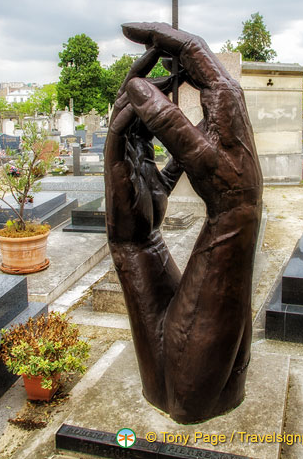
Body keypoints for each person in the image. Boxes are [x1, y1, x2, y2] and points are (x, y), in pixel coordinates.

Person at [104, 22, 263, 424]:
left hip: (187, 368)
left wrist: (236, 211)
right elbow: (186, 397)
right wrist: (237, 209)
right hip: (144, 254)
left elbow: (186, 397)